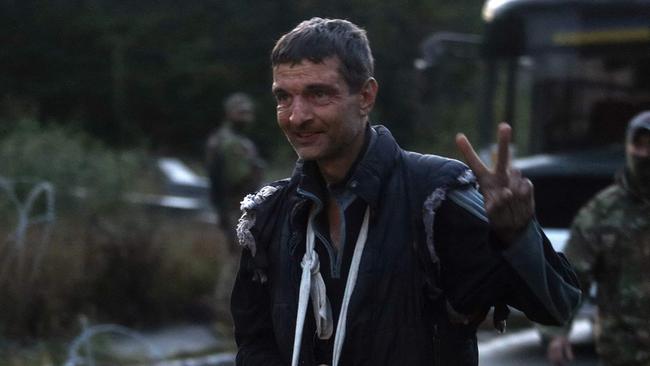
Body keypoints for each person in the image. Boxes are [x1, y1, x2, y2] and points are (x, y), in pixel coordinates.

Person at [231, 18, 581, 366]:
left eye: (318, 94)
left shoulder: (435, 198)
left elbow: (558, 305)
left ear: (366, 96)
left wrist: (517, 234)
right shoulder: (271, 216)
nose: (296, 117)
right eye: (283, 98)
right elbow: (254, 342)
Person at [546, 111, 650, 366]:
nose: (646, 154)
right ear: (628, 147)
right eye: (640, 145)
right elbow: (571, 275)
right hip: (624, 352)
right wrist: (558, 332)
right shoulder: (602, 212)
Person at [205, 92, 265, 316]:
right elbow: (237, 177)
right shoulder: (231, 143)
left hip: (234, 208)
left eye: (249, 113)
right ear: (230, 113)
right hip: (235, 208)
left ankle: (231, 311)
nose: (247, 117)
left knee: (239, 258)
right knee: (238, 260)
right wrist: (256, 170)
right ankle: (224, 313)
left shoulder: (225, 140)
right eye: (242, 112)